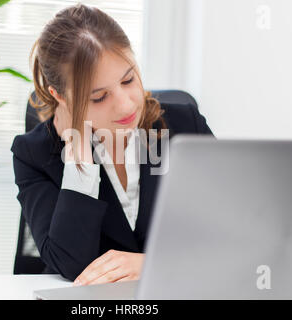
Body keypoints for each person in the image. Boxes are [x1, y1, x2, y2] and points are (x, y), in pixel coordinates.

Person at [11, 3, 213, 286]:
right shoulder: (34, 154)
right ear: (61, 96)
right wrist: (79, 160)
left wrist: (154, 263)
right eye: (98, 97)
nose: (125, 104)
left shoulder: (184, 126)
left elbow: (230, 230)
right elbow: (70, 263)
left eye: (128, 79)